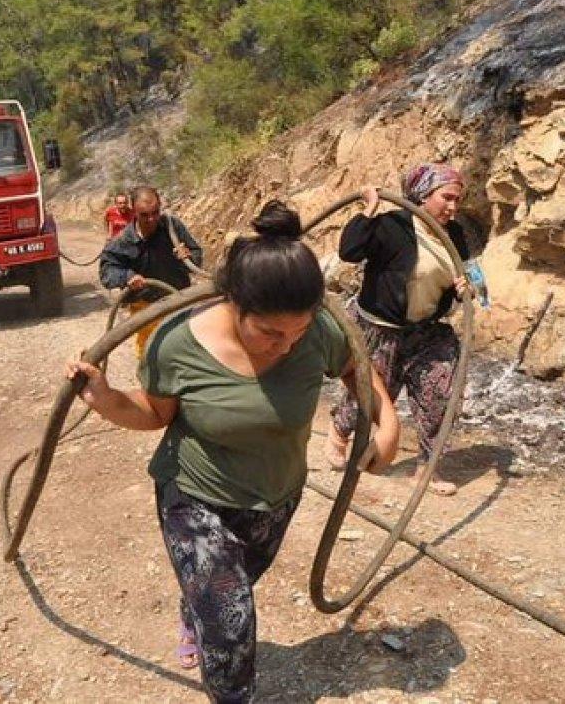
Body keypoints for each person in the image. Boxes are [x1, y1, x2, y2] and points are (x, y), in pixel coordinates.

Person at [68, 201, 400, 702]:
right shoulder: (177, 345)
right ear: (233, 305)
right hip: (194, 496)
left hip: (276, 495)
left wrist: (387, 422)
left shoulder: (319, 333)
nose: (287, 345)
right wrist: (105, 398)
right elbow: (155, 414)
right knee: (231, 616)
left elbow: (355, 370)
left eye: (299, 331)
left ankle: (193, 610)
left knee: (232, 588)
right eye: (269, 332)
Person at [327, 162, 471, 496]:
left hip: (427, 332)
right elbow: (349, 251)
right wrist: (368, 212)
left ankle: (426, 470)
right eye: (446, 197)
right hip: (380, 328)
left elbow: (470, 274)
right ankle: (339, 432)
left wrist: (467, 288)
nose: (453, 207)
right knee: (373, 395)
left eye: (457, 200)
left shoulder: (456, 235)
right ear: (423, 195)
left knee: (442, 395)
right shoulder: (392, 226)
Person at [99, 186, 204, 357]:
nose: (151, 219)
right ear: (134, 212)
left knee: (186, 353)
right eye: (144, 215)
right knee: (152, 355)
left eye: (155, 212)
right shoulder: (124, 241)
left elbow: (196, 253)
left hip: (179, 300)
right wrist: (127, 277)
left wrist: (188, 256)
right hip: (146, 308)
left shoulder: (172, 227)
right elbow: (107, 272)